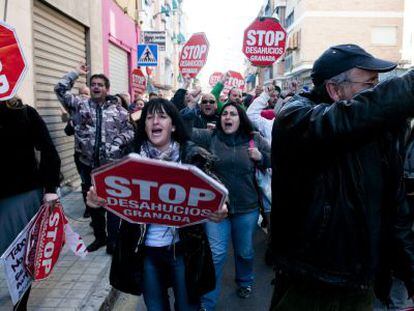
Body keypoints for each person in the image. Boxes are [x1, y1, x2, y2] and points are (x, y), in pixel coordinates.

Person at [269, 44, 414, 310]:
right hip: (310, 282)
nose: (376, 92)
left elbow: (395, 211)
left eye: (378, 84)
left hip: (363, 283)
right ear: (335, 90)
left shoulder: (381, 133)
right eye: (370, 85)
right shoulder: (296, 118)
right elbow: (343, 120)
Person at [86, 98, 228, 311]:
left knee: (187, 306)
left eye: (162, 116)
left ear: (172, 125)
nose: (155, 121)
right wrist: (96, 201)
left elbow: (218, 193)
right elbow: (109, 196)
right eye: (150, 117)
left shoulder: (192, 156)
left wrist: (221, 209)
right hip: (146, 252)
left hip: (183, 250)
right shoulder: (129, 160)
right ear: (144, 125)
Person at [192, 102, 271, 310]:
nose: (228, 117)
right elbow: (184, 130)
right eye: (224, 113)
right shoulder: (211, 137)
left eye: (233, 114)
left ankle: (245, 281)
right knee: (216, 254)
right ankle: (207, 302)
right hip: (216, 209)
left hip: (247, 208)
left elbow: (274, 159)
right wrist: (190, 106)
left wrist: (261, 157)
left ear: (240, 118)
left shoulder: (254, 139)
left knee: (244, 251)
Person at [54, 63, 134, 253]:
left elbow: (131, 131)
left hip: (111, 165)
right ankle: (100, 238)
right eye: (94, 84)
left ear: (107, 89)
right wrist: (76, 73)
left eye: (100, 84)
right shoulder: (79, 105)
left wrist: (117, 142)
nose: (97, 87)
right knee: (93, 203)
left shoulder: (119, 111)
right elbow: (59, 89)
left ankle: (114, 241)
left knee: (113, 203)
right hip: (87, 163)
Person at [0, 96, 61, 310]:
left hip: (21, 195)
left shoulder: (24, 112)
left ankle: (21, 304)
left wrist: (51, 188)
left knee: (19, 254)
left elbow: (48, 149)